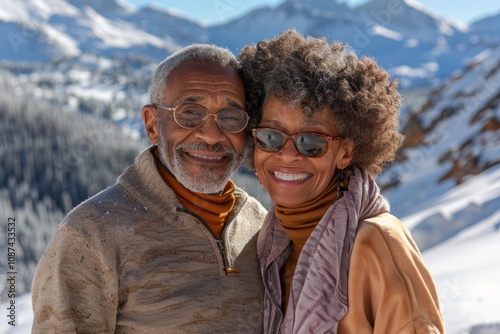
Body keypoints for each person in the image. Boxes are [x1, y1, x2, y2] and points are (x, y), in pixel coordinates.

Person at [31, 44, 268, 333]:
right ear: (152, 124)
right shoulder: (92, 233)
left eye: (230, 117)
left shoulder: (259, 223)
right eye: (190, 113)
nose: (212, 135)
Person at [238, 29, 445, 333]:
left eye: (311, 142)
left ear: (345, 152)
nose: (288, 155)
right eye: (270, 137)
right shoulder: (270, 244)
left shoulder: (379, 244)